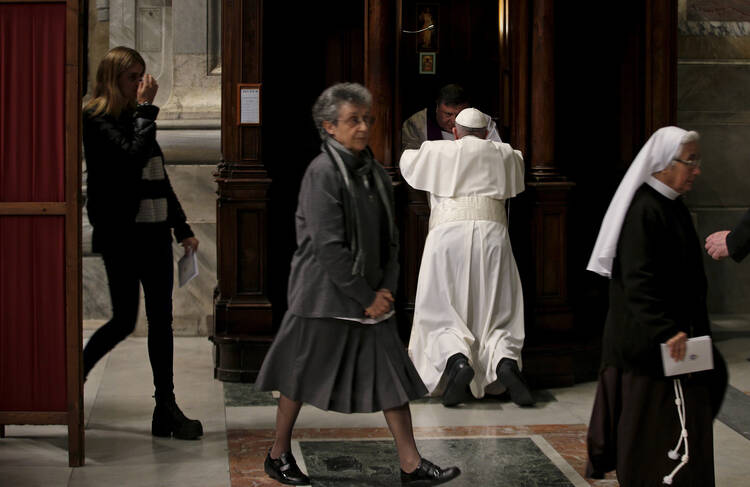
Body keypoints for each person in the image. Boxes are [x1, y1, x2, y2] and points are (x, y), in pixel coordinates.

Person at [255, 83, 460, 486]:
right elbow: (329, 248)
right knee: (297, 378)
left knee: (391, 378)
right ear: (329, 127)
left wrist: (384, 290)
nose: (364, 127)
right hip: (321, 297)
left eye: (367, 119)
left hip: (370, 299)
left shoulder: (373, 172)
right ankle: (277, 455)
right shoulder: (322, 173)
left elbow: (391, 239)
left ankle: (411, 464)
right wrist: (367, 296)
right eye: (354, 120)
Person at [585, 126, 727, 486]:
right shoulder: (644, 211)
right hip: (652, 347)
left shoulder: (671, 205)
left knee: (688, 424)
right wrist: (668, 331)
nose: (696, 169)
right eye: (690, 161)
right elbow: (637, 283)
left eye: (697, 160)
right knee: (652, 439)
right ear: (664, 163)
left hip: (680, 341)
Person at [82, 46, 203, 440]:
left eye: (142, 76)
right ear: (113, 79)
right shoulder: (96, 119)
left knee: (161, 322)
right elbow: (129, 161)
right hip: (122, 236)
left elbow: (157, 176)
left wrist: (181, 227)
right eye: (133, 77)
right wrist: (147, 111)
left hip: (153, 235)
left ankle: (165, 408)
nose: (140, 84)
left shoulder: (136, 120)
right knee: (122, 321)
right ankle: (72, 383)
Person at [400, 108, 533, 408]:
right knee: (498, 310)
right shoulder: (508, 155)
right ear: (486, 134)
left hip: (447, 236)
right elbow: (519, 172)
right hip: (493, 235)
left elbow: (407, 161)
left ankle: (456, 360)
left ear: (456, 132)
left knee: (442, 309)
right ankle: (504, 362)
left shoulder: (437, 150)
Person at [401, 84, 501, 152]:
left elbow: (496, 152)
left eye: (460, 114)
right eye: (448, 114)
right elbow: (411, 161)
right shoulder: (416, 124)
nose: (454, 121)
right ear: (437, 107)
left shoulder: (482, 121)